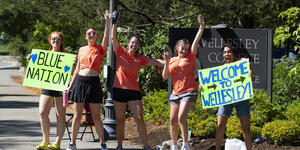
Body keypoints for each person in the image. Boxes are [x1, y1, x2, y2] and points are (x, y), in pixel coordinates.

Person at [111, 11, 164, 150]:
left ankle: (146, 145)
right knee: (120, 119)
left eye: (136, 44)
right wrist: (114, 22)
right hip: (119, 89)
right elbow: (113, 38)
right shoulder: (120, 52)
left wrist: (169, 62)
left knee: (139, 118)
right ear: (128, 43)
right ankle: (119, 145)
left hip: (133, 91)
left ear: (138, 46)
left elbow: (156, 62)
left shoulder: (140, 59)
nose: (134, 45)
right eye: (132, 43)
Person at [65, 11, 110, 150]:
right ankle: (72, 143)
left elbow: (107, 38)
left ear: (96, 36)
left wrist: (107, 21)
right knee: (77, 115)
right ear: (86, 37)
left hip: (93, 83)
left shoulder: (100, 49)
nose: (91, 35)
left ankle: (103, 143)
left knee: (96, 116)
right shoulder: (81, 49)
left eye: (94, 33)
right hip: (80, 82)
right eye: (89, 33)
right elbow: (77, 70)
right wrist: (70, 87)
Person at [162, 14, 205, 150]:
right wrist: (166, 62)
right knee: (172, 121)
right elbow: (164, 77)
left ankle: (185, 144)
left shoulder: (191, 57)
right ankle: (174, 146)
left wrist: (201, 26)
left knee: (181, 118)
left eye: (186, 48)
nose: (184, 50)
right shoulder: (172, 60)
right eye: (182, 47)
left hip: (189, 91)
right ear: (177, 48)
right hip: (175, 93)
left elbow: (196, 41)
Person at [32, 31, 74, 150]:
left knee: (60, 115)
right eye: (54, 39)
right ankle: (45, 140)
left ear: (62, 41)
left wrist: (73, 64)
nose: (56, 41)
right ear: (50, 40)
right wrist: (32, 61)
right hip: (48, 87)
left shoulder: (67, 55)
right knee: (42, 112)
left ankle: (57, 142)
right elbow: (38, 70)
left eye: (58, 39)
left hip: (61, 88)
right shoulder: (45, 55)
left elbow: (70, 73)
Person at [215, 44, 253, 150]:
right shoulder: (220, 70)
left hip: (241, 99)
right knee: (220, 126)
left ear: (233, 53)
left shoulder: (243, 63)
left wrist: (251, 75)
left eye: (229, 52)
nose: (227, 54)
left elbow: (252, 79)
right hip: (226, 100)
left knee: (246, 128)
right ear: (222, 55)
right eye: (225, 52)